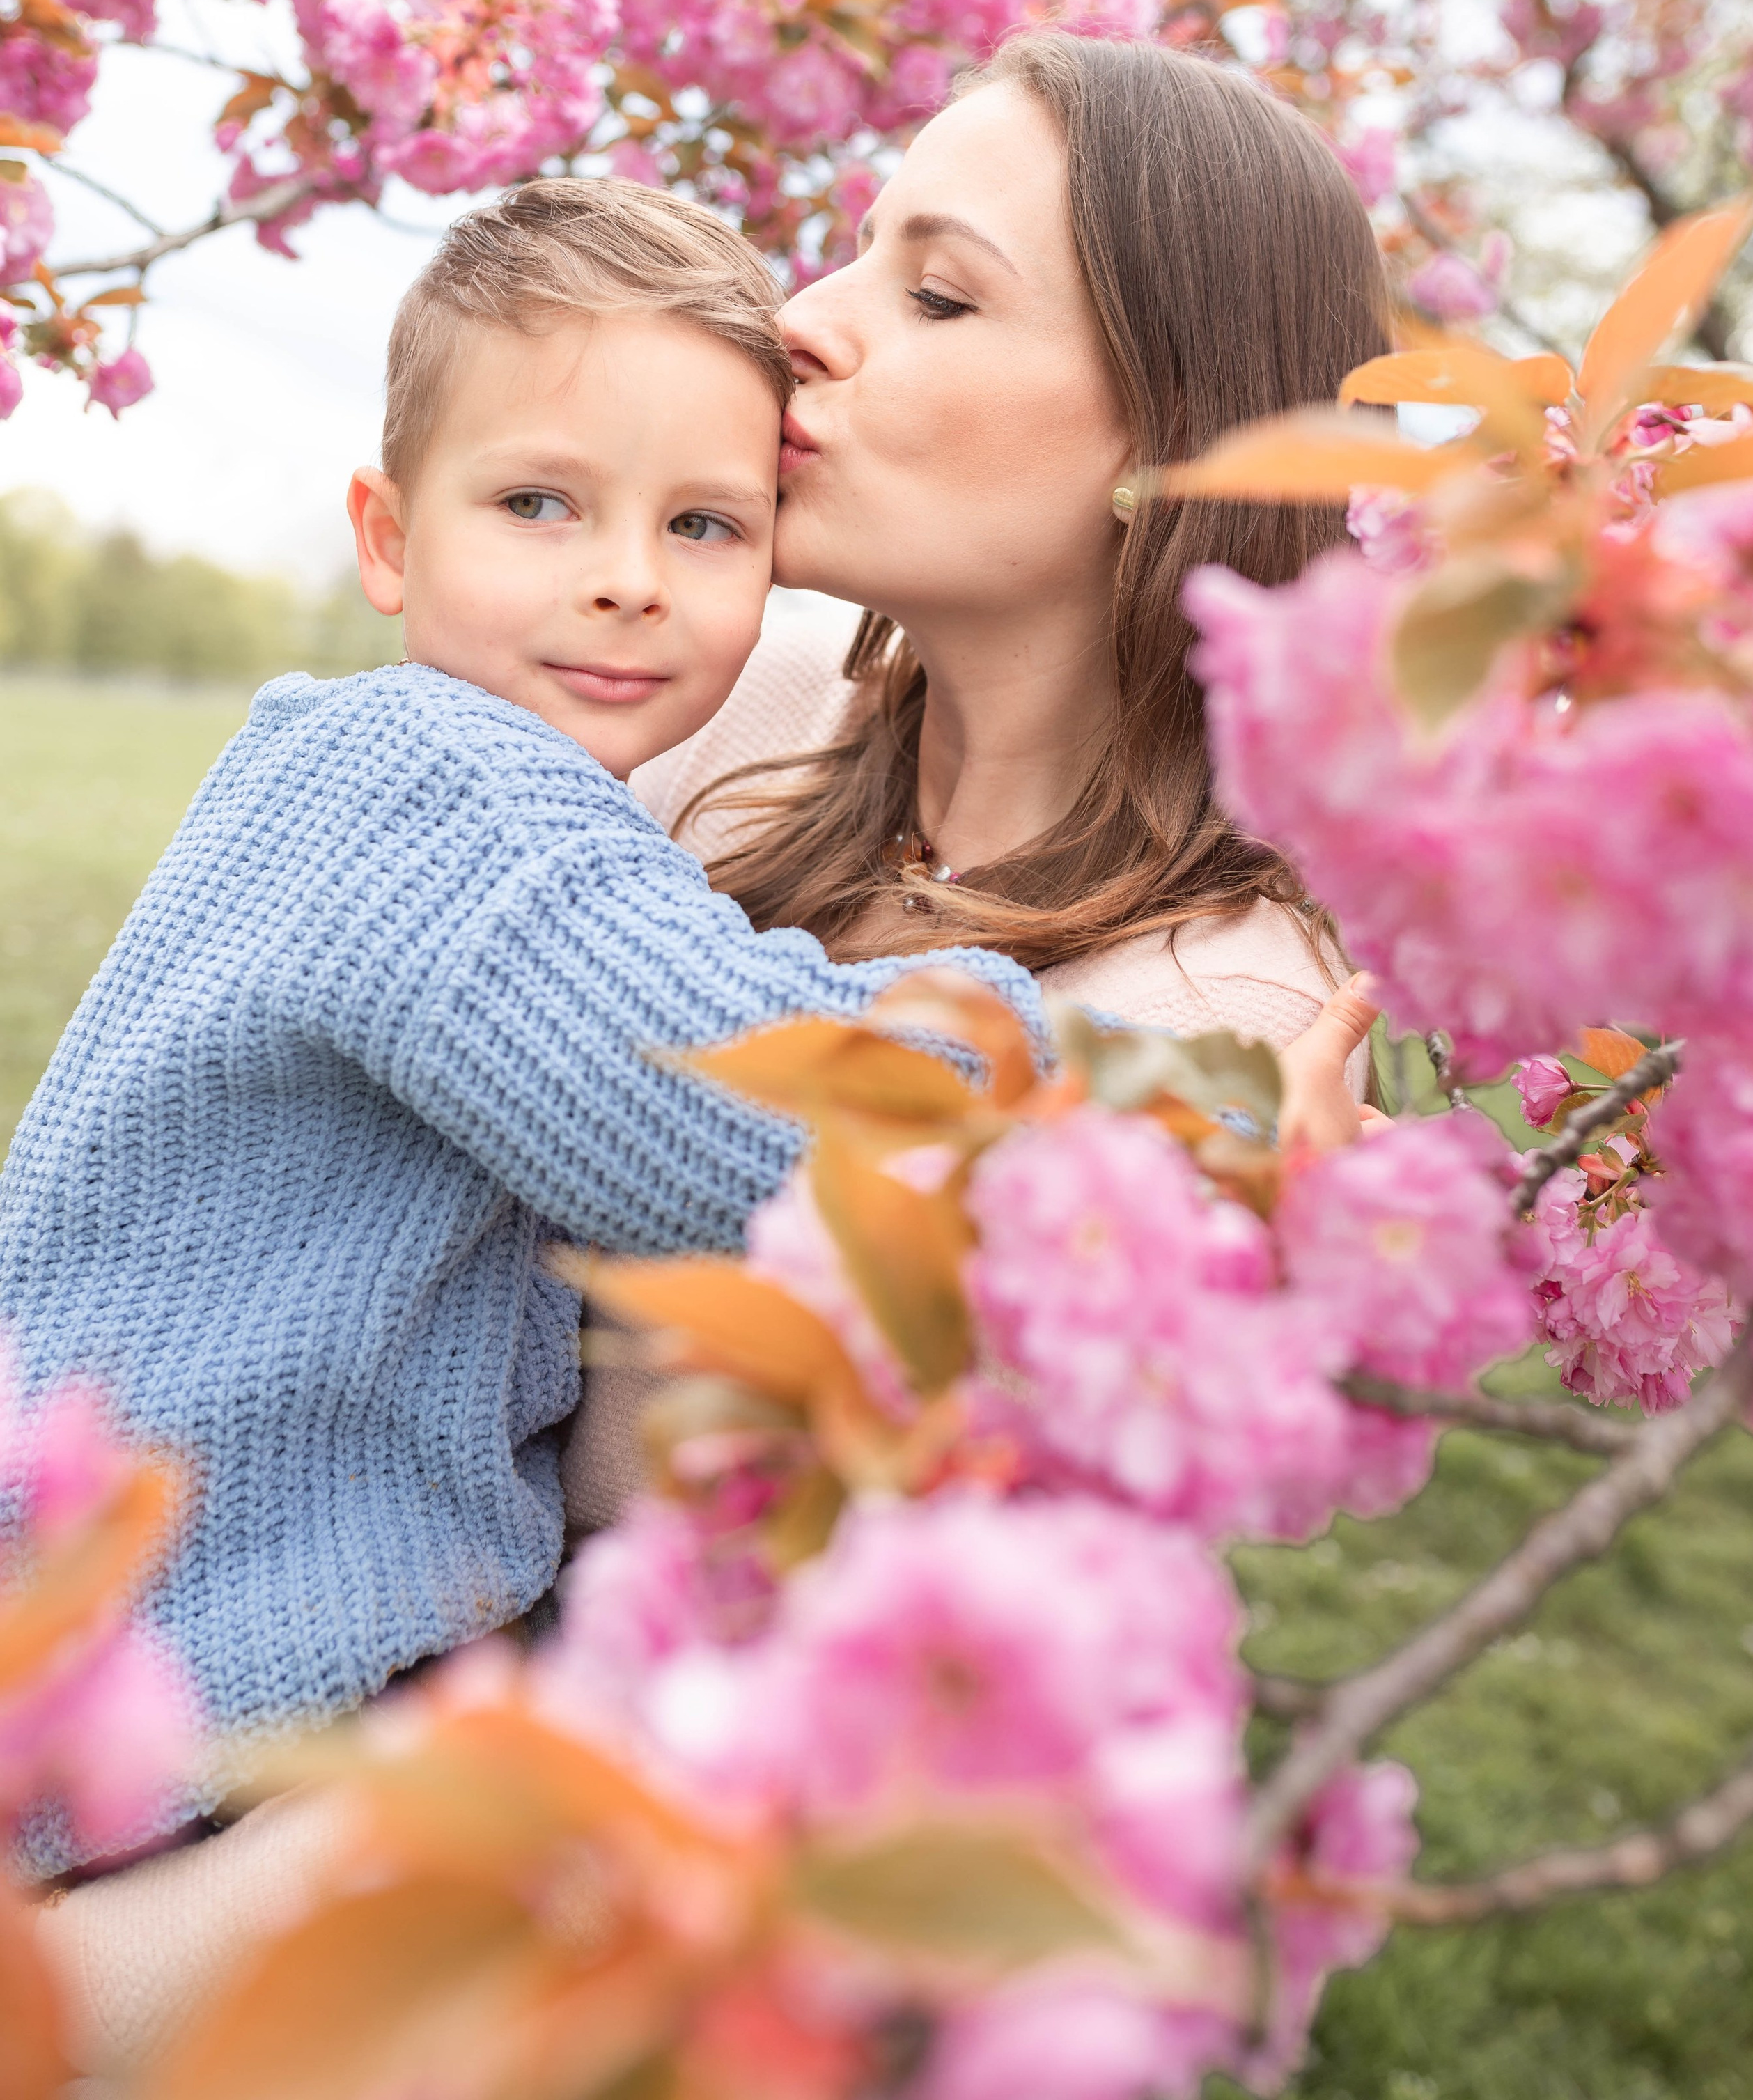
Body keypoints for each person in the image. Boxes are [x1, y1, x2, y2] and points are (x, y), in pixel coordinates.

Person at [3, 175, 1047, 1881]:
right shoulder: (426, 784)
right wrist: (1034, 1031)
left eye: (702, 527)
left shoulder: (469, 787)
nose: (627, 583)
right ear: (390, 536)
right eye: (541, 504)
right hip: (197, 1674)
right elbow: (738, 1129)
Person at [564, 29, 1389, 1523]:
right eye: (855, 252)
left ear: (1171, 448)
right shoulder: (729, 698)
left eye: (936, 293)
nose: (802, 321)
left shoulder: (1209, 1039)